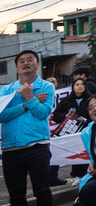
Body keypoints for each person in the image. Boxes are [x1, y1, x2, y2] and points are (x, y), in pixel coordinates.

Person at [0, 50, 56, 206]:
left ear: (37, 65)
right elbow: (1, 115)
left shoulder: (47, 86)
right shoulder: (6, 90)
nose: (25, 63)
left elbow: (43, 113)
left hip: (37, 146)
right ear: (17, 68)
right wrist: (27, 103)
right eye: (21, 61)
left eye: (30, 59)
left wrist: (30, 96)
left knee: (42, 191)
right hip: (10, 148)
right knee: (16, 196)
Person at [52, 78, 93, 180]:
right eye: (77, 84)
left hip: (88, 131)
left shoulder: (91, 99)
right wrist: (65, 116)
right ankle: (77, 175)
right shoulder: (66, 101)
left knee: (89, 153)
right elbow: (56, 116)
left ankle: (90, 174)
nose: (80, 86)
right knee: (76, 154)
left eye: (82, 84)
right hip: (72, 133)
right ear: (73, 87)